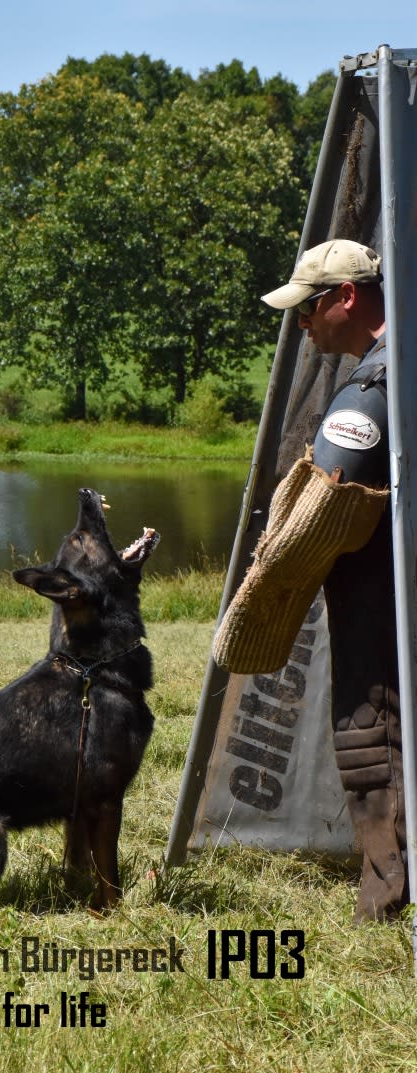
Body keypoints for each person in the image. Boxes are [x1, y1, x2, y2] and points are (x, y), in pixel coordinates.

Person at [214, 238, 406, 922]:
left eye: (309, 308)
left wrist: (266, 586)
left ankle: (382, 901)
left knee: (369, 737)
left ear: (347, 298)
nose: (302, 325)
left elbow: (323, 502)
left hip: (377, 607)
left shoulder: (372, 387)